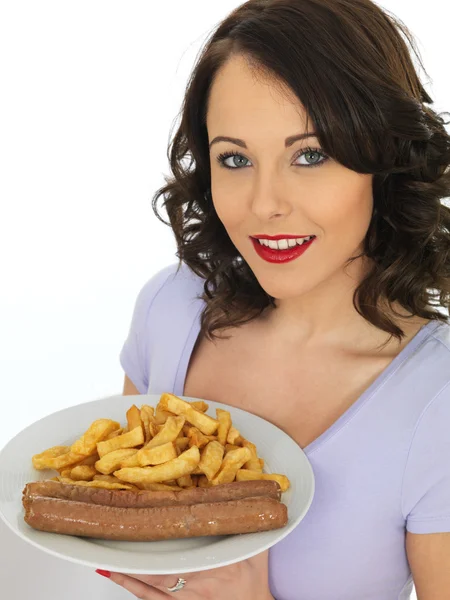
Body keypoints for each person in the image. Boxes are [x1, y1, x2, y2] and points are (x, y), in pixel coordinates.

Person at [95, 0, 450, 598]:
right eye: (235, 159)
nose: (264, 205)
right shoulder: (170, 307)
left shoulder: (436, 405)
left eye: (309, 155)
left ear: (384, 161)